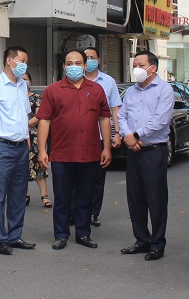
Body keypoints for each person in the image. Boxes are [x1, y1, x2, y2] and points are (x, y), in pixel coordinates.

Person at [36, 49, 111, 251]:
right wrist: (42, 150)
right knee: (62, 196)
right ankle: (61, 234)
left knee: (85, 196)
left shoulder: (96, 90)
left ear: (85, 66)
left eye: (78, 63)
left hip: (90, 154)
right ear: (64, 67)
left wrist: (107, 147)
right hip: (62, 154)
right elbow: (44, 120)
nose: (74, 67)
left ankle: (83, 233)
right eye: (70, 63)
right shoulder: (52, 90)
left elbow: (104, 118)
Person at [117, 49, 175, 261]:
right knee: (135, 197)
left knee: (156, 198)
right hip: (133, 151)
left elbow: (160, 120)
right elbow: (121, 115)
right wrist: (127, 136)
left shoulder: (164, 89)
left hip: (153, 150)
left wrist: (136, 135)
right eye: (135, 65)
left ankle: (158, 243)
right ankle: (141, 239)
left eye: (141, 65)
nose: (137, 69)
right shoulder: (131, 91)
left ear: (153, 67)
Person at [0, 46, 36, 255]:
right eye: (22, 60)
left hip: (21, 146)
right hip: (1, 145)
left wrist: (28, 142)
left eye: (26, 60)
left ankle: (14, 235)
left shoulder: (22, 86)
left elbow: (24, 116)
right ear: (9, 60)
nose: (24, 64)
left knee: (18, 193)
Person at [83, 46, 122, 227]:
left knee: (97, 178)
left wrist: (117, 132)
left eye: (92, 57)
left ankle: (93, 213)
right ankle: (76, 212)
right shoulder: (75, 80)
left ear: (98, 60)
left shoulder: (108, 82)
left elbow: (115, 109)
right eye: (86, 58)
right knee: (77, 177)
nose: (89, 61)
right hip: (79, 138)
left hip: (100, 137)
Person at [22, 72, 51, 208]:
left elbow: (40, 116)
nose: (23, 82)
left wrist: (25, 125)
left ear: (30, 82)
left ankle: (44, 196)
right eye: (21, 79)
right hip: (19, 136)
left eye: (26, 79)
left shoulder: (37, 98)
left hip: (35, 135)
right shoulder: (14, 97)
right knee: (22, 166)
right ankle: (25, 195)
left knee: (39, 166)